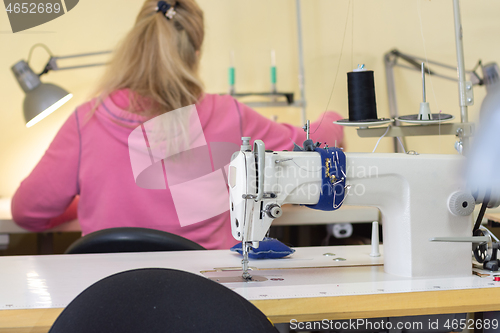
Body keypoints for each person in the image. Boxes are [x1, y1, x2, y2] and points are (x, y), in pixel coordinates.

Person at [11, 0, 344, 250]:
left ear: (137, 47)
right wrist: (333, 119)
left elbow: (27, 212)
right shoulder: (228, 115)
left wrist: (84, 203)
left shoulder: (87, 120)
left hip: (109, 307)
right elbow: (310, 145)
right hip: (202, 305)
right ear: (196, 53)